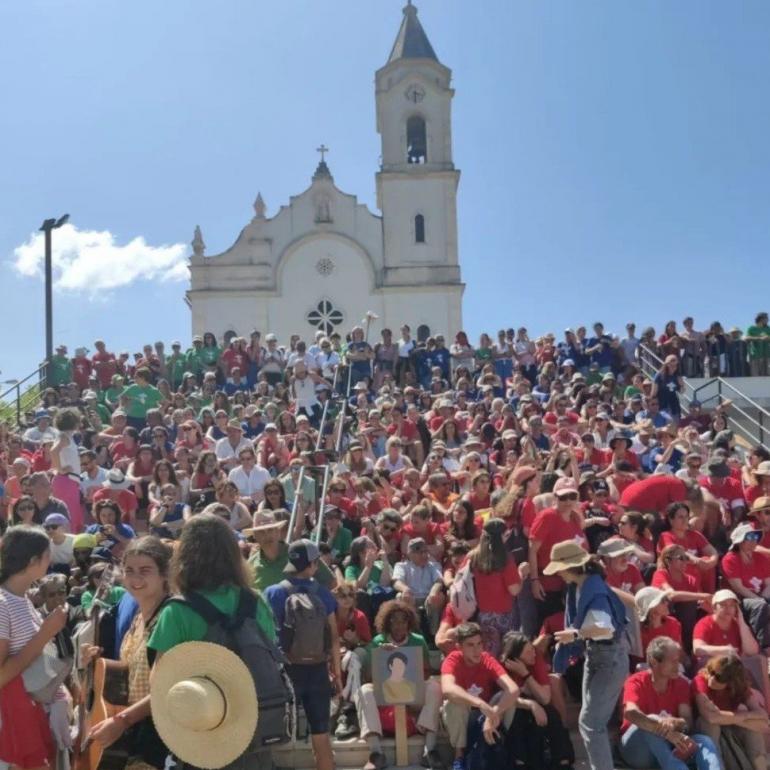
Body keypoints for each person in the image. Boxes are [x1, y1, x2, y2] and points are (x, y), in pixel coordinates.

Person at [148, 514, 277, 770]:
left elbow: (159, 682)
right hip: (253, 728)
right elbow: (270, 653)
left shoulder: (176, 612)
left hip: (203, 733)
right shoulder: (256, 601)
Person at [85, 537, 173, 770]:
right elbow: (129, 672)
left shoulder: (170, 617)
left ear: (164, 574)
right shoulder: (137, 617)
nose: (135, 579)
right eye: (129, 570)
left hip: (161, 737)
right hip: (134, 733)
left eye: (145, 570)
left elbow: (167, 687)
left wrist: (121, 721)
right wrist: (97, 659)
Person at [543, 540, 629, 770]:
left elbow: (605, 628)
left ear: (570, 567)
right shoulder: (580, 587)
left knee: (591, 723)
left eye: (559, 568)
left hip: (609, 658)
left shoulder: (594, 590)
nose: (557, 574)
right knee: (589, 722)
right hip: (598, 656)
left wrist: (576, 634)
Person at [264, 539, 341, 770]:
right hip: (317, 670)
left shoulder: (273, 592)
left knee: (270, 733)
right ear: (314, 564)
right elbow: (335, 637)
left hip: (285, 671)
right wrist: (336, 674)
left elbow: (266, 634)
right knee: (321, 734)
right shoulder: (325, 595)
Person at [0, 526, 70, 770]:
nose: (51, 561)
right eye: (47, 555)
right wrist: (46, 633)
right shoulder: (2, 604)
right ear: (33, 560)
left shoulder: (22, 600)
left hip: (31, 712)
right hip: (11, 722)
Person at [359, 599, 439, 770]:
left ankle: (430, 750)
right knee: (365, 690)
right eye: (393, 620)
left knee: (434, 686)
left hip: (412, 695)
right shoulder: (377, 641)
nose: (399, 625)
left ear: (409, 622)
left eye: (403, 621)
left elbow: (427, 673)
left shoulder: (418, 640)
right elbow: (367, 678)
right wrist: (379, 656)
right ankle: (376, 753)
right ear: (386, 622)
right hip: (385, 696)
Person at [620, 636, 719, 770]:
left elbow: (687, 721)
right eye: (673, 661)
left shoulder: (681, 684)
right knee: (652, 719)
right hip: (637, 749)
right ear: (654, 662)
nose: (677, 666)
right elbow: (631, 713)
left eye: (678, 661)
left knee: (704, 741)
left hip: (667, 746)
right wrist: (667, 732)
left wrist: (675, 722)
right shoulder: (636, 681)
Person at [440, 622, 519, 770]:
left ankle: (500, 743)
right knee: (453, 703)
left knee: (509, 700)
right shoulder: (453, 659)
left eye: (479, 644)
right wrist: (480, 703)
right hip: (464, 713)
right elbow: (447, 688)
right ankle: (459, 756)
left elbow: (513, 689)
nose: (477, 650)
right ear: (459, 647)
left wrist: (493, 713)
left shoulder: (486, 658)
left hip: (487, 716)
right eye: (470, 645)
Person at [499, 631, 575, 770]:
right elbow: (503, 698)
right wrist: (531, 704)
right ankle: (520, 763)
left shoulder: (536, 660)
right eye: (528, 652)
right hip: (514, 709)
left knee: (551, 714)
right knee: (517, 717)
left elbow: (545, 698)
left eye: (532, 650)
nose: (533, 654)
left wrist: (526, 674)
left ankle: (562, 762)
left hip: (537, 705)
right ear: (515, 655)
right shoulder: (503, 666)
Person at [692, 653, 769, 770]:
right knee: (711, 725)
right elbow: (710, 717)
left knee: (752, 728)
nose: (712, 679)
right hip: (705, 729)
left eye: (719, 678)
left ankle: (760, 766)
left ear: (731, 682)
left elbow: (763, 718)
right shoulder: (701, 680)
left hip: (729, 726)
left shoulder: (739, 687)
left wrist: (739, 718)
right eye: (711, 672)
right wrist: (742, 717)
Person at [467, 518, 521, 657]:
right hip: (504, 615)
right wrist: (521, 573)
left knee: (487, 654)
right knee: (505, 654)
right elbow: (514, 589)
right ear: (502, 536)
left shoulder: (473, 556)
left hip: (483, 614)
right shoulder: (505, 558)